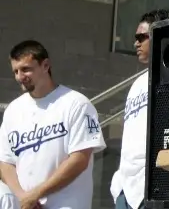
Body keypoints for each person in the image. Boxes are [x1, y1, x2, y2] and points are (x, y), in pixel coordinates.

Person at [0, 40, 106, 209]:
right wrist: (24, 198)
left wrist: (36, 194)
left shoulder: (76, 104)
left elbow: (79, 159)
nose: (20, 76)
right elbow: (5, 163)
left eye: (26, 69)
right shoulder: (13, 110)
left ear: (45, 65)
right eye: (16, 71)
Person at [110, 9, 169, 209]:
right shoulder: (137, 83)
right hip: (124, 189)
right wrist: (118, 184)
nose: (136, 43)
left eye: (142, 37)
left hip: (154, 187)